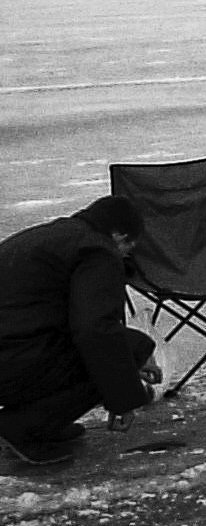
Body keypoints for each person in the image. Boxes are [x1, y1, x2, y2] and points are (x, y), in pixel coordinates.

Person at [0, 196, 161, 465]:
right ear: (118, 234)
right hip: (12, 359)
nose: (128, 253)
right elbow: (96, 330)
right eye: (129, 245)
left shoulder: (52, 237)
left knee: (119, 347)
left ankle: (44, 423)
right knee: (124, 349)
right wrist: (123, 397)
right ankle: (22, 426)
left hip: (14, 350)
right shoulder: (97, 251)